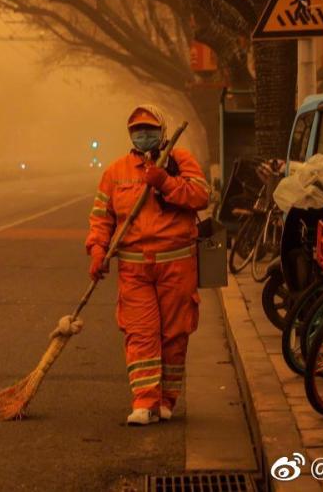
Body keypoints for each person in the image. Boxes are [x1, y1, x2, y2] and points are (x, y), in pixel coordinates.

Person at [85, 105, 210, 425]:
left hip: (177, 265)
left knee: (173, 334)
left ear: (162, 131)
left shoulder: (179, 161)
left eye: (149, 128)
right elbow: (102, 218)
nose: (143, 134)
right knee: (140, 333)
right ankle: (144, 401)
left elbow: (200, 196)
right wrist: (98, 251)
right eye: (137, 129)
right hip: (134, 269)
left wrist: (165, 182)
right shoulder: (115, 172)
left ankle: (166, 400)